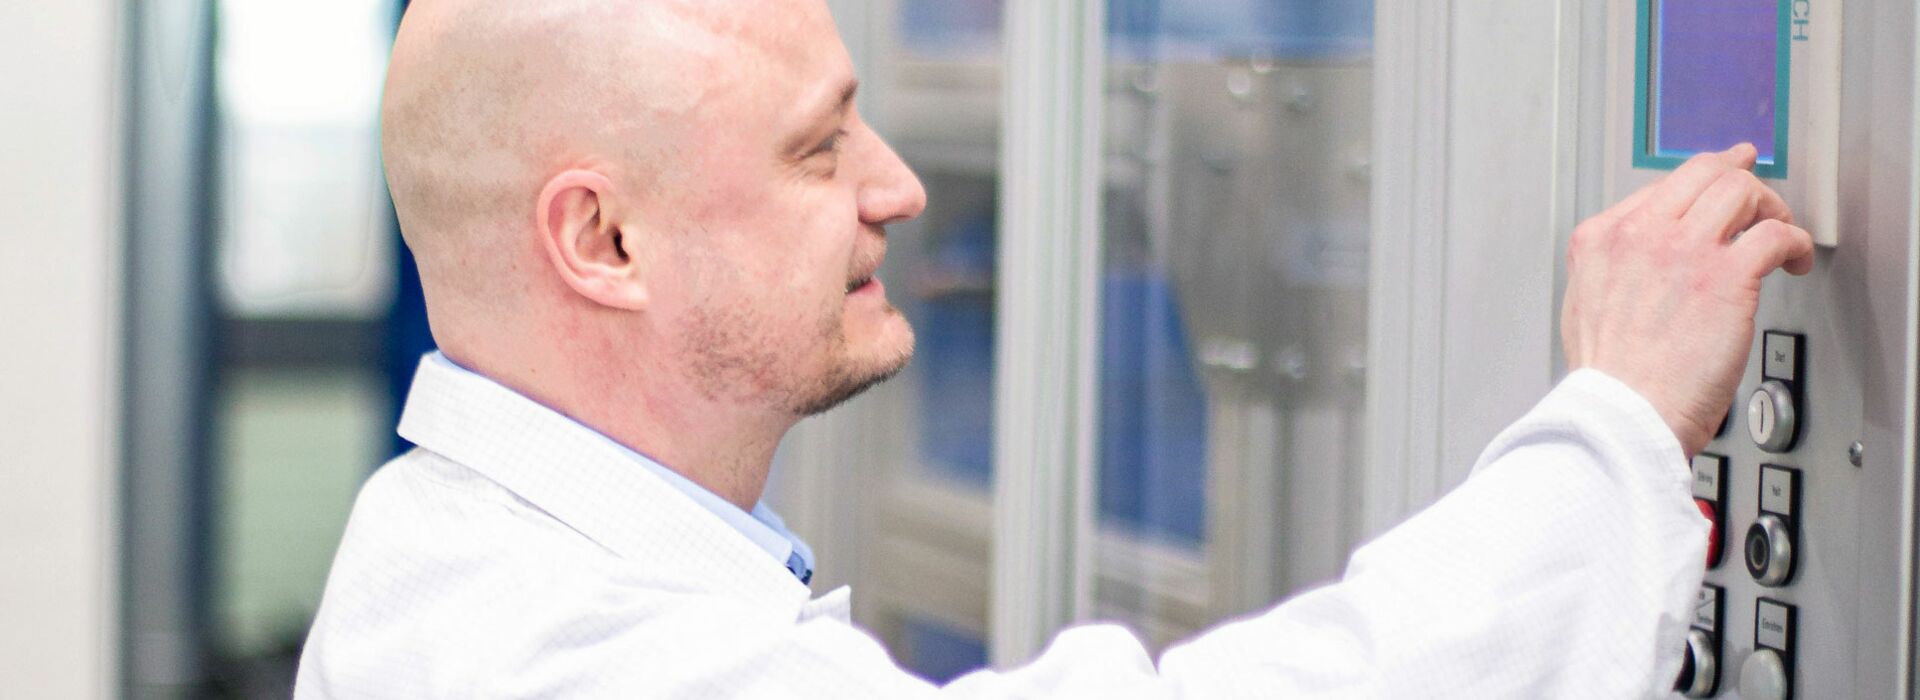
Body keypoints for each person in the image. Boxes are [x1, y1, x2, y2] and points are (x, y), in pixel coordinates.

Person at [294, 0, 1816, 697]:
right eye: (819, 148)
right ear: (604, 241)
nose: (899, 186)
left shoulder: (443, 543)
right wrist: (1617, 425)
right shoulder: (568, 657)